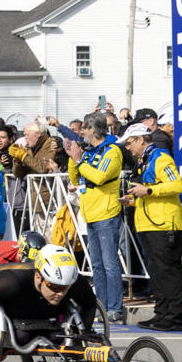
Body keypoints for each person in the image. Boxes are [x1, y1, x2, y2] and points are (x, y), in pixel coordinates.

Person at [0, 244, 101, 351]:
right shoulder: (10, 282)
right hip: (10, 308)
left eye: (65, 288)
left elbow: (90, 304)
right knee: (20, 336)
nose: (60, 293)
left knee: (57, 336)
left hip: (44, 319)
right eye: (53, 286)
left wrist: (80, 337)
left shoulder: (73, 282)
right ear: (39, 277)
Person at [121, 123, 182, 331]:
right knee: (156, 273)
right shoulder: (145, 161)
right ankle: (161, 314)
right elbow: (147, 192)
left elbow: (176, 185)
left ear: (142, 139)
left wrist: (148, 191)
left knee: (168, 272)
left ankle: (173, 318)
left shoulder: (161, 157)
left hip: (165, 225)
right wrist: (131, 200)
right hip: (149, 224)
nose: (128, 148)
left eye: (130, 143)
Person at [64, 118, 125, 322]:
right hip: (90, 213)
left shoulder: (111, 151)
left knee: (109, 263)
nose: (82, 133)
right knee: (97, 265)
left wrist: (80, 162)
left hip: (106, 213)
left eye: (85, 129)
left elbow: (99, 177)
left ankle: (115, 307)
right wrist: (73, 160)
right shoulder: (89, 152)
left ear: (94, 130)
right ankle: (101, 305)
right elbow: (75, 179)